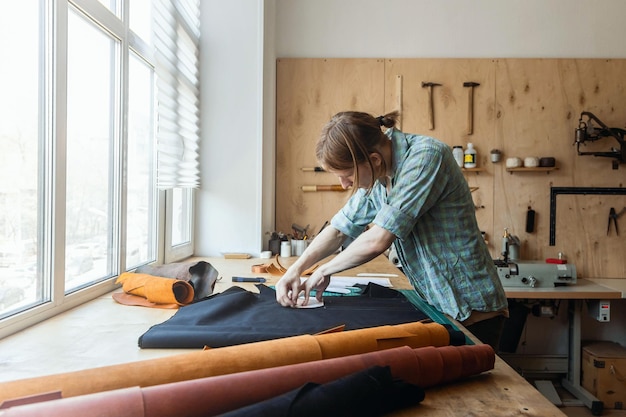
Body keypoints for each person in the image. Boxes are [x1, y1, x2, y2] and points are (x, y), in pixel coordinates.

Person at [275, 110, 508, 350]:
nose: (345, 185)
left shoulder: (426, 157)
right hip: (439, 307)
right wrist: (296, 270)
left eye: (347, 175)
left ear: (374, 160)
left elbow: (379, 239)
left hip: (472, 310)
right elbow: (338, 229)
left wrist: (323, 270)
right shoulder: (379, 177)